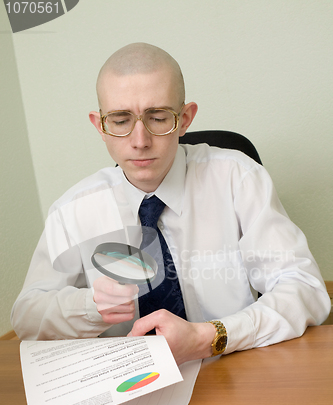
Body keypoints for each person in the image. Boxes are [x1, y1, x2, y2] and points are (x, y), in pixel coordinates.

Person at [11, 43, 330, 365]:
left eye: (158, 117)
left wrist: (211, 336)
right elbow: (26, 315)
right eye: (121, 121)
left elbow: (305, 289)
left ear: (185, 118)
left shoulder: (238, 178)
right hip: (126, 385)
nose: (140, 141)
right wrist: (90, 306)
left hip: (229, 372)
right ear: (100, 126)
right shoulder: (72, 211)